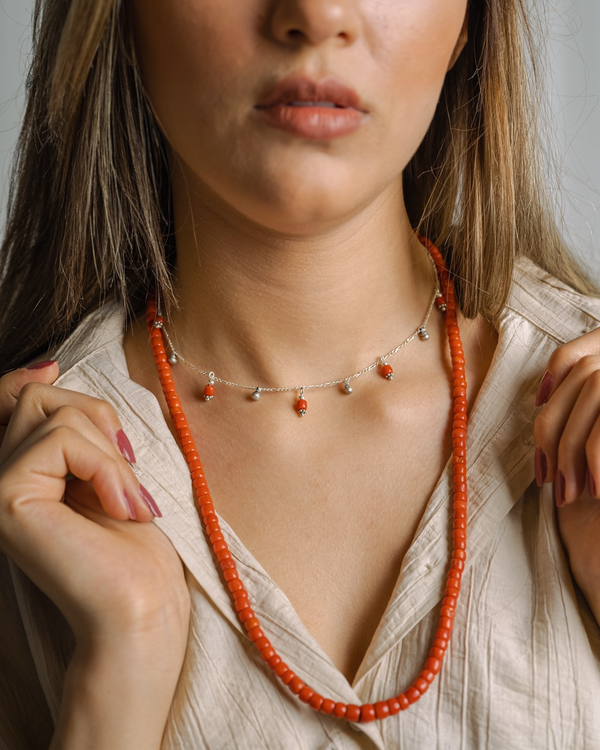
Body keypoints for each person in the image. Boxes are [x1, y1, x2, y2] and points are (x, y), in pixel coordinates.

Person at [0, 0, 599, 748]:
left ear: (469, 23)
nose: (316, 15)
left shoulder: (583, 417)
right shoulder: (28, 494)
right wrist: (117, 678)